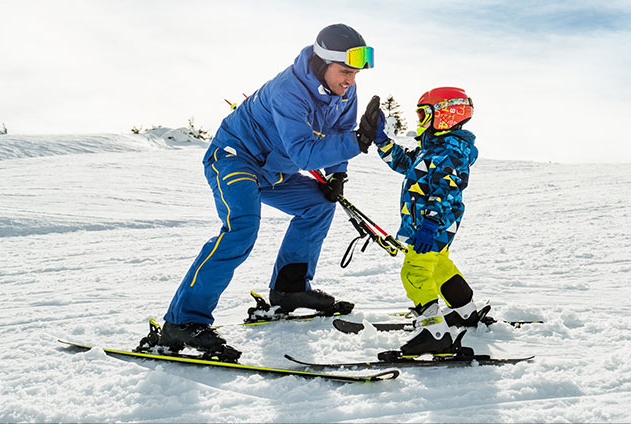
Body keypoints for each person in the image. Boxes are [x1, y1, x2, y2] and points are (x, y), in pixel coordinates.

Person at [157, 24, 381, 360]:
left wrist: (337, 174)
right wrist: (357, 143)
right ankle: (183, 321)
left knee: (318, 205)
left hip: (275, 171)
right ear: (323, 63)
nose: (350, 80)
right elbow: (305, 153)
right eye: (344, 72)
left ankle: (290, 290)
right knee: (241, 227)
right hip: (235, 159)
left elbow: (339, 132)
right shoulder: (288, 89)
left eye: (355, 74)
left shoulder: (345, 93)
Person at [367, 86, 482, 355]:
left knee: (415, 273)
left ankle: (435, 333)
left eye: (423, 114)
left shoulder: (448, 154)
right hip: (432, 227)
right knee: (439, 266)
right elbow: (404, 162)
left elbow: (446, 192)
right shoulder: (434, 149)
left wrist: (430, 224)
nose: (420, 120)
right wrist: (381, 139)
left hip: (431, 226)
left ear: (445, 114)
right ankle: (466, 312)